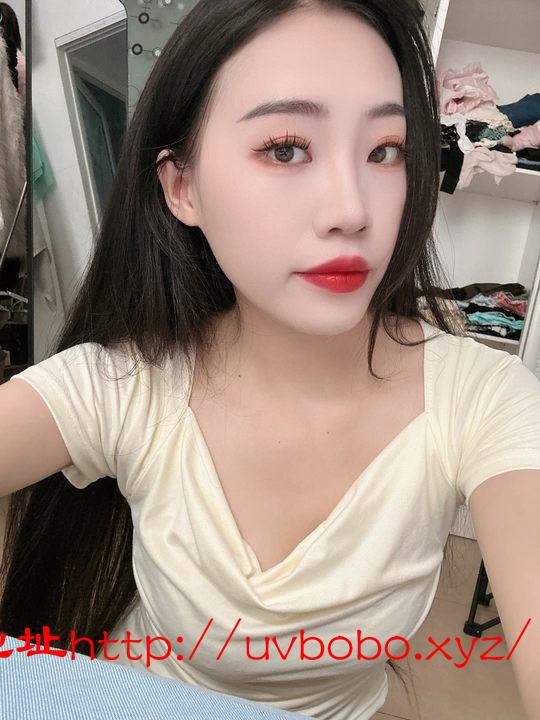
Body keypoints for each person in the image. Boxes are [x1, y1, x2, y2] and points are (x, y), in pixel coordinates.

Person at [0, 1, 539, 719]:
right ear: (182, 188)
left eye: (386, 150)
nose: (352, 210)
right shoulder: (128, 385)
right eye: (286, 148)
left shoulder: (483, 399)